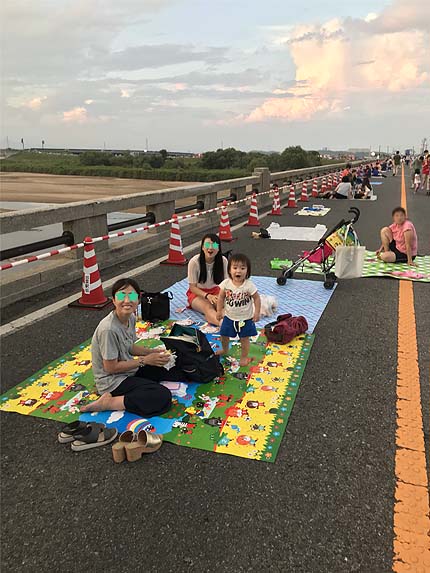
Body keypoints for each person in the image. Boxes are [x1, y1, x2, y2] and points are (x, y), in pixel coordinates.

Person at [81, 278, 182, 417]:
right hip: (112, 381)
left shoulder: (131, 318)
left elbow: (130, 347)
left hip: (128, 371)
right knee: (162, 396)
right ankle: (109, 402)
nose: (127, 300)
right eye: (122, 296)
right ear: (113, 300)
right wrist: (145, 360)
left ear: (139, 299)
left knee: (169, 367)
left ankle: (140, 386)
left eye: (132, 296)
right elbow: (110, 368)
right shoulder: (108, 329)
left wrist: (153, 353)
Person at [216, 253, 261, 367]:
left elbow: (257, 298)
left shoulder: (249, 285)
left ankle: (244, 356)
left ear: (247, 271)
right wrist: (219, 311)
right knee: (224, 335)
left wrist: (256, 312)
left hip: (245, 319)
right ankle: (225, 349)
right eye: (235, 268)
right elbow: (221, 297)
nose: (238, 271)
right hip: (229, 317)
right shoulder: (226, 284)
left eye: (242, 268)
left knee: (244, 339)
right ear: (229, 270)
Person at [187, 233, 228, 325]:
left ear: (218, 249)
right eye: (207, 245)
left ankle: (232, 322)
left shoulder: (223, 261)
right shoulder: (194, 262)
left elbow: (226, 283)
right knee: (207, 306)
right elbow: (192, 288)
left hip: (217, 291)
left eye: (214, 245)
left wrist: (222, 296)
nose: (210, 248)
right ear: (202, 247)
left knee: (226, 306)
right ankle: (223, 324)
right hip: (197, 294)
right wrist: (207, 296)